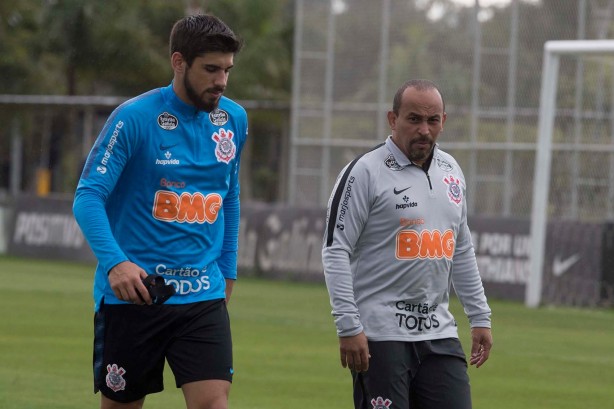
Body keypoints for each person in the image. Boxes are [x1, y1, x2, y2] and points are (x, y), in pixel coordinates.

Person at [73, 14, 246, 409]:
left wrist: (228, 269)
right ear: (179, 62)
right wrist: (116, 264)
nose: (221, 80)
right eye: (211, 69)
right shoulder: (134, 118)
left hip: (202, 294)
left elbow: (229, 196)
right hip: (136, 296)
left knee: (212, 404)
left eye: (227, 70)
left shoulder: (234, 119)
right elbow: (87, 197)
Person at [322, 79, 492, 409]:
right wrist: (348, 326)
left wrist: (480, 317)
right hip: (381, 336)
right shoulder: (364, 172)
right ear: (393, 119)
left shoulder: (451, 170)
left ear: (443, 121)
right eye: (414, 119)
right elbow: (336, 249)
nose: (424, 130)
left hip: (439, 332)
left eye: (433, 120)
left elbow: (460, 248)